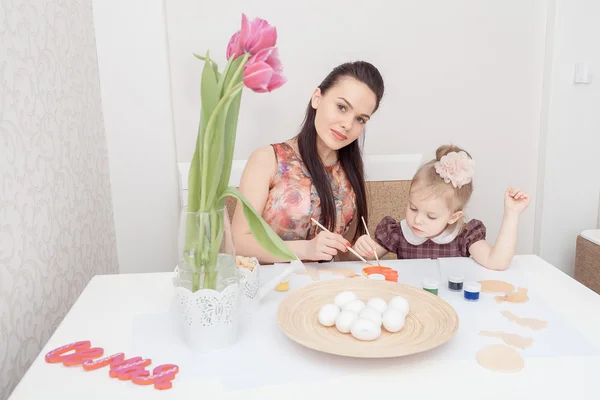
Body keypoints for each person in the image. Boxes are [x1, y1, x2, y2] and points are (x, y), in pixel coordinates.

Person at [232, 61, 385, 263]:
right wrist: (305, 250)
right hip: (272, 288)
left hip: (324, 289)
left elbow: (341, 255)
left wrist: (360, 249)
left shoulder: (350, 173)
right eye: (341, 107)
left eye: (360, 119)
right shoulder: (268, 159)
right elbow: (239, 243)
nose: (348, 124)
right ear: (317, 98)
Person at [353, 145, 531, 271]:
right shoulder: (399, 233)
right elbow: (366, 257)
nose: (417, 220)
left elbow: (496, 262)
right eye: (413, 208)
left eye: (431, 216)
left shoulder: (465, 236)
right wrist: (362, 246)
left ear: (453, 217)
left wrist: (512, 214)